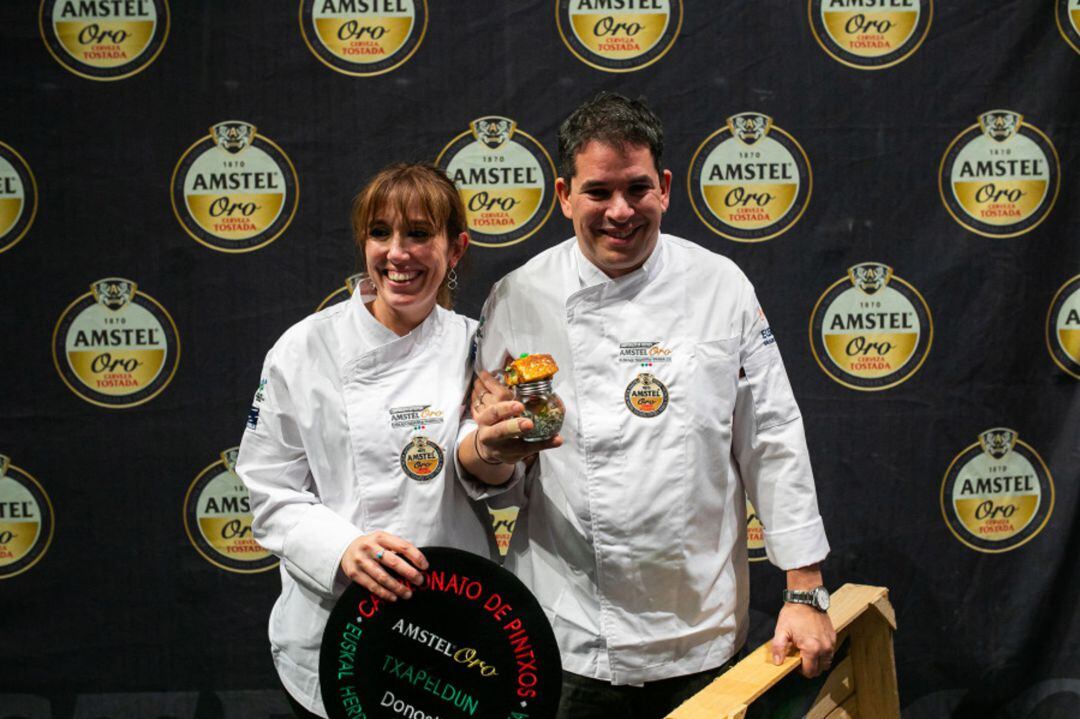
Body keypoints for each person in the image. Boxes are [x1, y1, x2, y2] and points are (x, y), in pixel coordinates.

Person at [472, 93, 836, 718]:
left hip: (701, 629)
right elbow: (495, 480)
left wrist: (806, 590)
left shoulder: (722, 286)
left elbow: (771, 435)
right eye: (597, 191)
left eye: (637, 188)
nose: (620, 211)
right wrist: (494, 454)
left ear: (665, 188)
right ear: (563, 195)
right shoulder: (517, 298)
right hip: (569, 633)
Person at [236, 163, 553, 718]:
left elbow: (500, 488)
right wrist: (344, 550)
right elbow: (268, 492)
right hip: (331, 630)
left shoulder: (479, 345)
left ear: (456, 249)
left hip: (451, 634)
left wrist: (499, 452)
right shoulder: (304, 348)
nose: (397, 253)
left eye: (419, 234)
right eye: (380, 233)